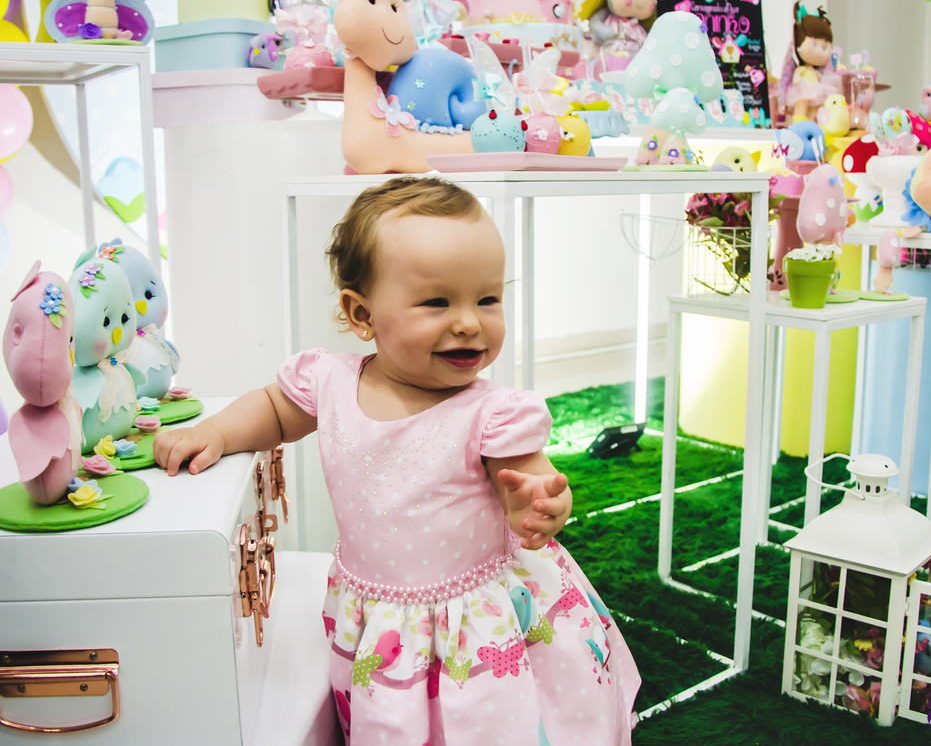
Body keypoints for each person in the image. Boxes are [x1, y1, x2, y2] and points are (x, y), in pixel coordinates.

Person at [154, 176, 641, 743]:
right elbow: (274, 410)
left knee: (489, 724)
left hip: (478, 625)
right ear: (361, 314)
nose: (468, 321)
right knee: (395, 720)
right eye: (437, 301)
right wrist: (217, 430)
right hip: (382, 617)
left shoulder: (492, 413)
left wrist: (540, 501)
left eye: (487, 298)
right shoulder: (330, 381)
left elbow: (524, 476)